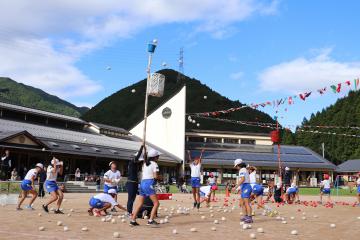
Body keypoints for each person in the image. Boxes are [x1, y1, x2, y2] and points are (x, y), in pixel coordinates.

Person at [130, 149, 160, 226]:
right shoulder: (154, 164)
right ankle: (150, 220)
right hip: (149, 183)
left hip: (142, 183)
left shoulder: (145, 164)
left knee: (140, 203)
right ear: (155, 157)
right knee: (156, 203)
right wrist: (160, 178)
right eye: (158, 156)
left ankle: (133, 220)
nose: (158, 158)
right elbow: (155, 176)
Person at [233, 159, 253, 223]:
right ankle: (245, 216)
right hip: (244, 187)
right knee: (242, 203)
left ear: (239, 165)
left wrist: (236, 187)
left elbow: (242, 179)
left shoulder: (242, 170)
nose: (236, 168)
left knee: (246, 203)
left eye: (236, 166)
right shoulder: (244, 169)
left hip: (246, 186)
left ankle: (249, 217)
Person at [126, 145, 144, 216]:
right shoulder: (132, 162)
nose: (140, 161)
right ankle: (129, 212)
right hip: (131, 183)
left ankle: (132, 211)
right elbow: (137, 157)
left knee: (133, 199)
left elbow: (144, 160)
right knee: (130, 199)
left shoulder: (136, 164)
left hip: (135, 183)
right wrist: (141, 148)